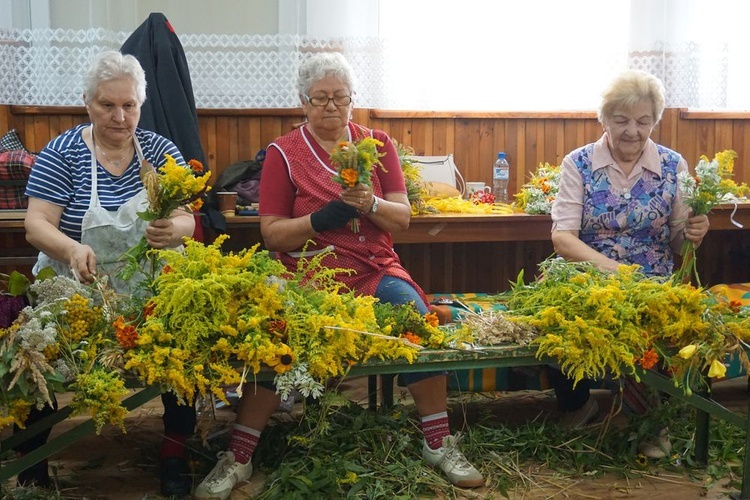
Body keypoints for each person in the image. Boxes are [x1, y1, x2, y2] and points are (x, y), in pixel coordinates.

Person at [193, 52, 484, 499]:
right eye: (320, 98)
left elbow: (401, 219)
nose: (331, 106)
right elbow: (272, 235)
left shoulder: (377, 144)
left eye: (340, 97)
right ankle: (238, 455)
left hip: (371, 267)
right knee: (275, 335)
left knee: (415, 317)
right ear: (303, 103)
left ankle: (439, 442)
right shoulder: (283, 154)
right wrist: (320, 219)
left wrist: (370, 204)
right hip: (304, 272)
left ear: (352, 101)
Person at [22, 50, 198, 496]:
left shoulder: (159, 151)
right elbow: (36, 223)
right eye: (108, 105)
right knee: (41, 350)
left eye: (130, 106)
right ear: (88, 103)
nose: (120, 117)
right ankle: (33, 460)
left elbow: (188, 220)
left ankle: (175, 450)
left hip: (147, 287)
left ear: (141, 105)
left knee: (183, 343)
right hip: (73, 284)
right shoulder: (63, 153)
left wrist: (171, 229)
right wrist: (72, 247)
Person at [549, 69, 709, 456]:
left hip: (651, 277)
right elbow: (563, 237)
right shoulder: (579, 163)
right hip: (587, 272)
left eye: (643, 121)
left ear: (655, 121)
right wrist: (614, 270)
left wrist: (692, 232)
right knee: (555, 315)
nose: (632, 131)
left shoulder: (673, 166)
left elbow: (675, 240)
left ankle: (645, 419)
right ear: (603, 119)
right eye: (621, 120)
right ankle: (578, 404)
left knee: (662, 319)